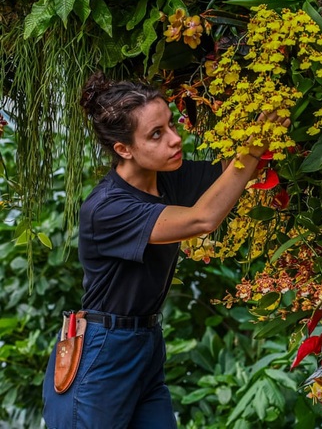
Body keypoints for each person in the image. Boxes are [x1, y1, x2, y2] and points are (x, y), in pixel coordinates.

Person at [42, 72, 288, 428]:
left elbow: (230, 173)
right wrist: (255, 145)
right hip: (102, 352)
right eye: (156, 135)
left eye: (171, 125)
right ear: (123, 149)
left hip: (145, 343)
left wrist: (264, 127)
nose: (175, 140)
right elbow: (203, 219)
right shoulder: (107, 208)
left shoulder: (167, 177)